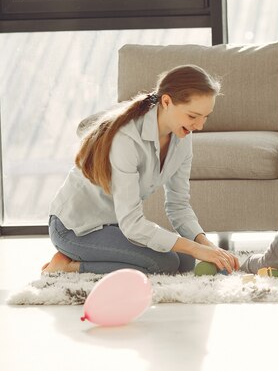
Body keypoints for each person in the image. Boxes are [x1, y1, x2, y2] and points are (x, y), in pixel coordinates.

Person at [42, 64, 240, 275]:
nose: (199, 126)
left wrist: (206, 246)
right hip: (75, 228)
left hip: (112, 224)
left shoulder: (182, 138)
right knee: (164, 264)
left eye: (205, 117)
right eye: (192, 116)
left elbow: (178, 205)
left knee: (186, 261)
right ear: (166, 101)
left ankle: (97, 255)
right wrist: (195, 247)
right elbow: (133, 225)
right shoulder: (126, 139)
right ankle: (69, 265)